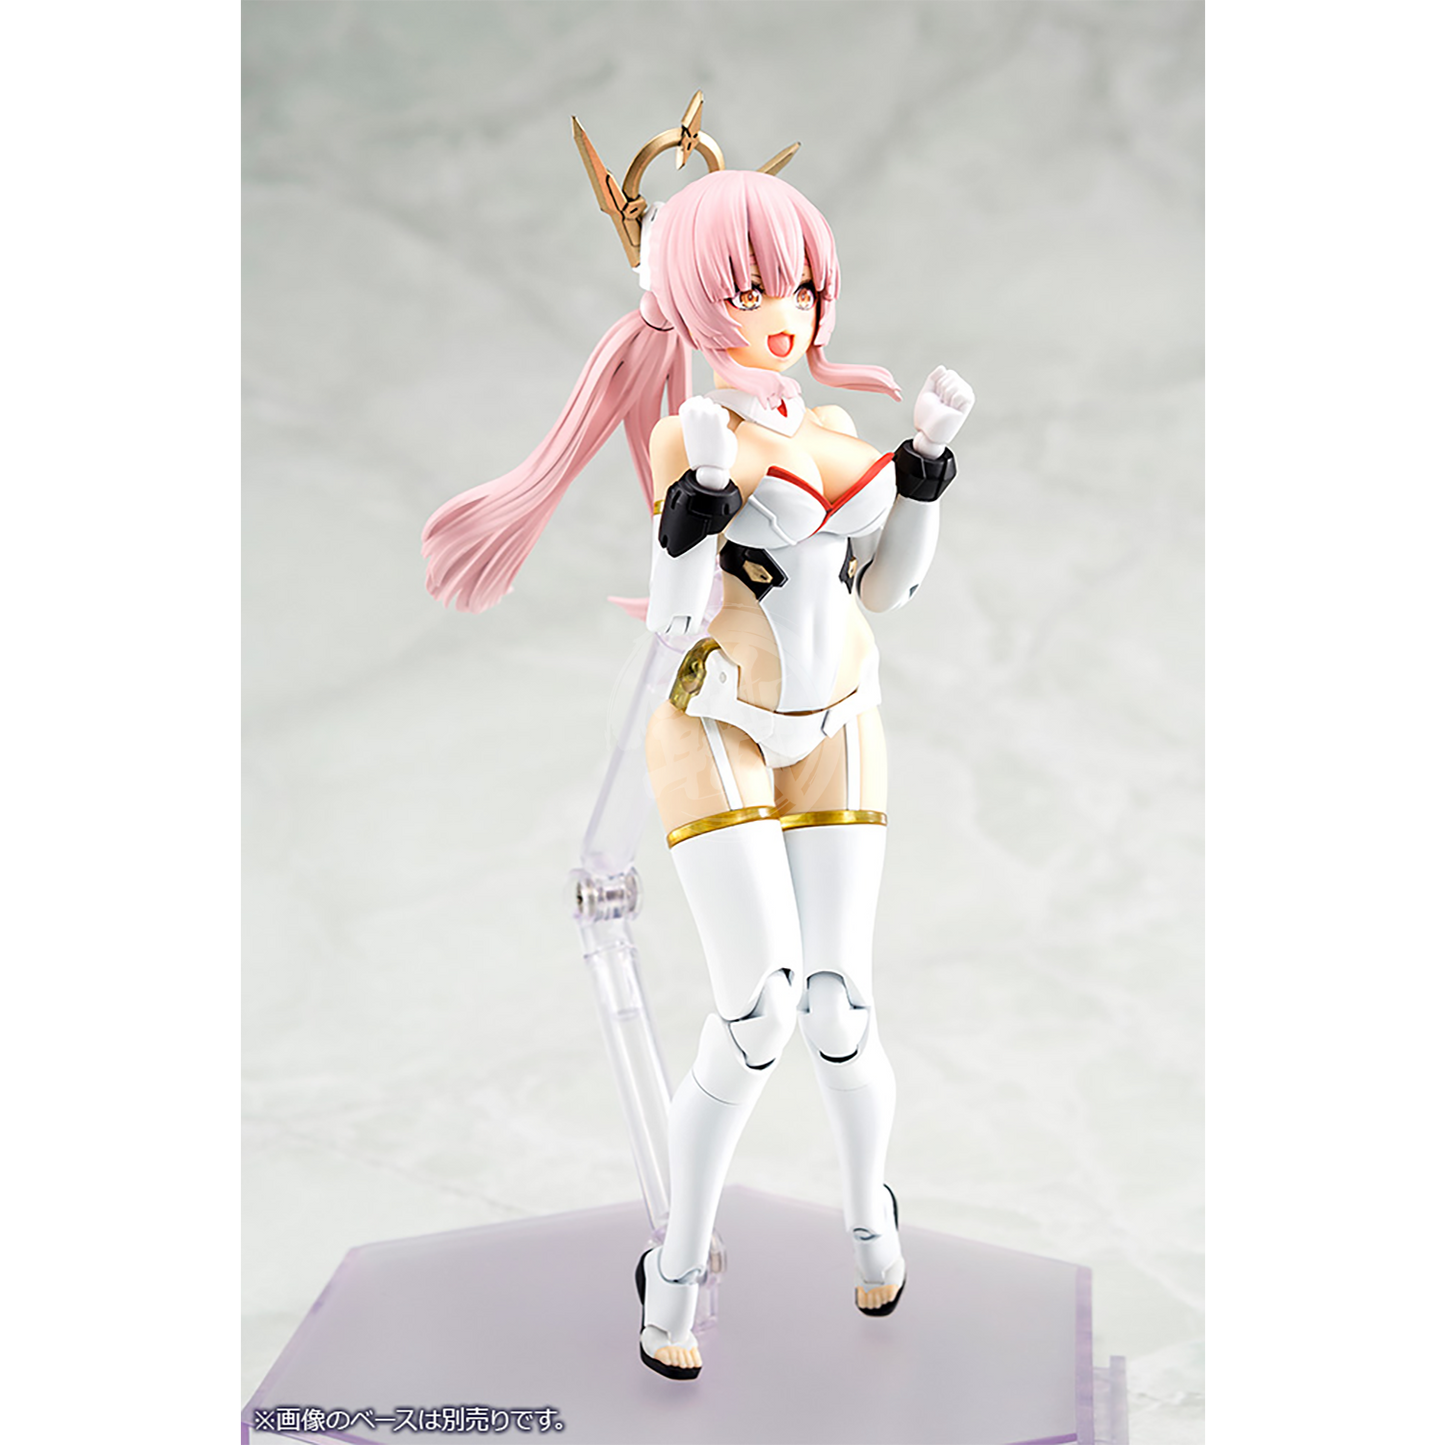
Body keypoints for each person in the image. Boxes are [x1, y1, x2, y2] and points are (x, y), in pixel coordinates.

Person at [422, 101, 973, 1382]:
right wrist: (696, 508)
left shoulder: (836, 435)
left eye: (799, 284)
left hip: (839, 722)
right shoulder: (693, 432)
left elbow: (887, 590)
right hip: (715, 718)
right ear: (688, 299)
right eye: (748, 288)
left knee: (839, 1005)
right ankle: (675, 1262)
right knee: (759, 1008)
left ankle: (871, 1217)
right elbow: (675, 620)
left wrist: (925, 472)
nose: (783, 309)